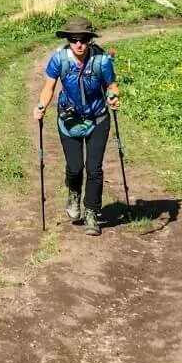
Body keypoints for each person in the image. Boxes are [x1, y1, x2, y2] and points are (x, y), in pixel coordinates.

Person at [33, 14, 119, 235]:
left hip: (98, 118)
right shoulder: (59, 59)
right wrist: (41, 106)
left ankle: (91, 212)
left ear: (90, 39)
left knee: (94, 168)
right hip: (68, 119)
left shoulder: (101, 60)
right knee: (75, 168)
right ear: (68, 40)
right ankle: (73, 194)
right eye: (74, 39)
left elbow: (111, 84)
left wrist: (113, 96)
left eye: (83, 38)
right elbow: (49, 87)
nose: (79, 44)